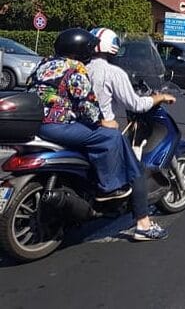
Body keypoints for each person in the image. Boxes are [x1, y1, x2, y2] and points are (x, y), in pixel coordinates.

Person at [87, 28, 175, 242]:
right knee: (135, 170)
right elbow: (135, 103)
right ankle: (143, 225)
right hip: (102, 130)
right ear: (114, 48)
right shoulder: (112, 72)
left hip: (77, 128)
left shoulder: (80, 68)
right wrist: (160, 97)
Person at [28, 28, 134, 201]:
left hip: (36, 123)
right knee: (110, 136)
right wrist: (102, 122)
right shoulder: (75, 68)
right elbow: (86, 102)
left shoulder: (45, 63)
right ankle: (109, 187)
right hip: (58, 126)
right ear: (80, 50)